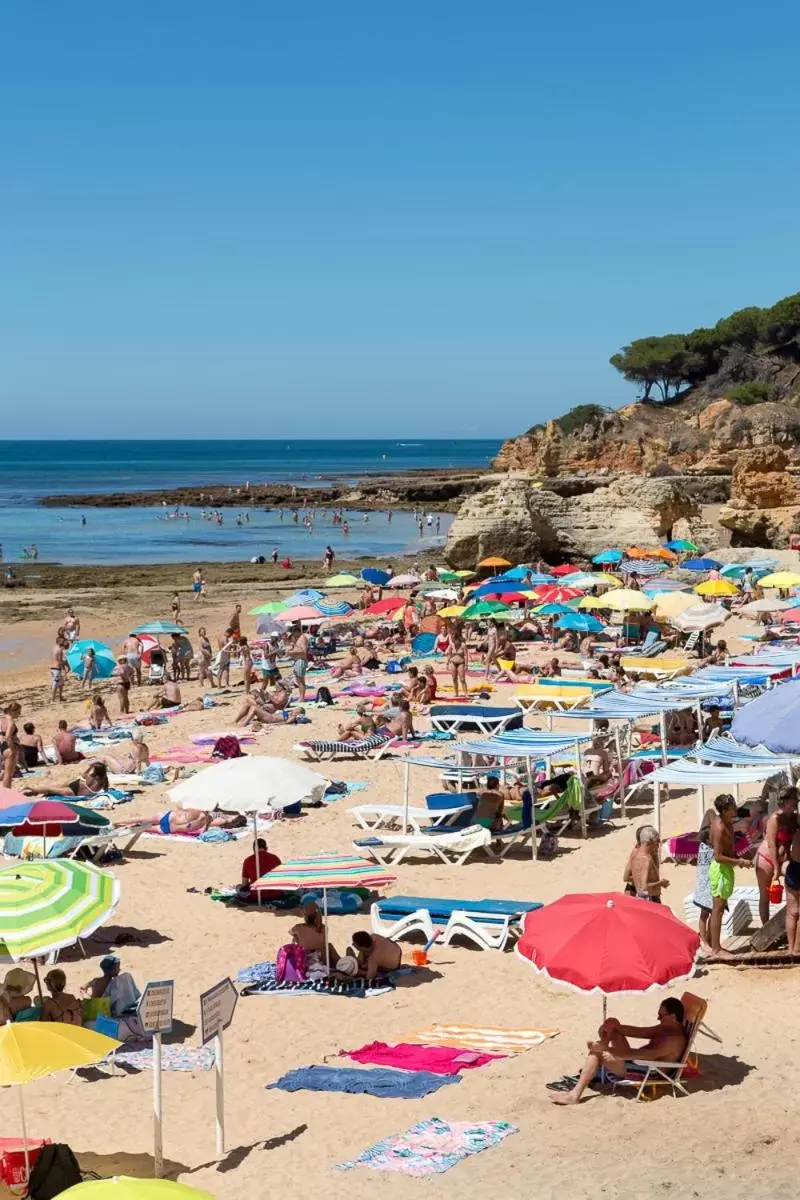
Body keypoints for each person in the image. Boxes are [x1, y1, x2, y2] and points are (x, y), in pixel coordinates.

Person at [549, 998, 687, 1106]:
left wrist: (614, 1053)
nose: (658, 1018)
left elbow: (650, 1055)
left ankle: (574, 1095)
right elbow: (640, 1032)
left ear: (673, 1017)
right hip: (638, 1060)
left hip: (649, 1070)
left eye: (661, 1015)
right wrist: (616, 1027)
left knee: (598, 1054)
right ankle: (601, 1045)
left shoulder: (675, 1039)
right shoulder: (665, 1028)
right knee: (612, 1023)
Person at [709, 793, 754, 955]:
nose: (735, 808)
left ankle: (716, 947)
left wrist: (738, 858)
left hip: (726, 867)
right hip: (720, 869)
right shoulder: (720, 827)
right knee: (718, 909)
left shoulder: (727, 822)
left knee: (719, 907)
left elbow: (729, 849)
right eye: (732, 806)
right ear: (725, 810)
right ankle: (716, 948)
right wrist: (739, 862)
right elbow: (718, 856)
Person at [754, 786, 799, 925]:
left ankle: (791, 920)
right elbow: (772, 844)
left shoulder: (795, 818)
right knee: (765, 896)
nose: (796, 805)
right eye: (794, 802)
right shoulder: (774, 819)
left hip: (785, 859)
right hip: (766, 859)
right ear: (786, 803)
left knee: (794, 885)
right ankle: (764, 928)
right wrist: (775, 868)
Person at [623, 825, 668, 902]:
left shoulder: (648, 853)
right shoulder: (641, 856)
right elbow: (626, 877)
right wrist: (659, 883)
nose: (659, 843)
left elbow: (655, 871)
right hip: (640, 893)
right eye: (657, 840)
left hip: (643, 893)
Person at [24, 762, 110, 798]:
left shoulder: (95, 778)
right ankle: (33, 790)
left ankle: (32, 790)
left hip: (75, 788)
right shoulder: (102, 780)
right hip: (76, 788)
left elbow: (84, 776)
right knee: (51, 788)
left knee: (50, 789)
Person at [784, 821, 800, 954]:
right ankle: (797, 948)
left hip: (793, 869)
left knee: (791, 912)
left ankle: (790, 948)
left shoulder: (797, 834)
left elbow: (792, 855)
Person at [1, 701, 21, 789]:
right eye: (18, 712)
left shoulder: (2, 718)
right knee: (9, 773)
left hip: (2, 746)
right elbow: (8, 736)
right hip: (9, 746)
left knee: (6, 772)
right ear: (12, 711)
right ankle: (7, 793)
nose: (19, 714)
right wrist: (13, 750)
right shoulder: (10, 722)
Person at [290, 624, 309, 702]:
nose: (293, 635)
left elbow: (303, 651)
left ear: (297, 632)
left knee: (301, 681)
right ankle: (301, 697)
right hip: (298, 661)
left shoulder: (302, 639)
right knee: (299, 680)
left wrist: (292, 652)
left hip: (300, 660)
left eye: (294, 632)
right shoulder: (300, 639)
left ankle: (302, 698)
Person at [50, 634, 68, 702]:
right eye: (63, 641)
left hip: (53, 668)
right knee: (55, 684)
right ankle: (52, 699)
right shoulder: (60, 650)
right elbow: (60, 661)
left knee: (61, 684)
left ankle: (60, 697)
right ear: (59, 641)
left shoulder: (54, 648)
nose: (64, 643)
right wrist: (65, 668)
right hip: (57, 669)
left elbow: (54, 658)